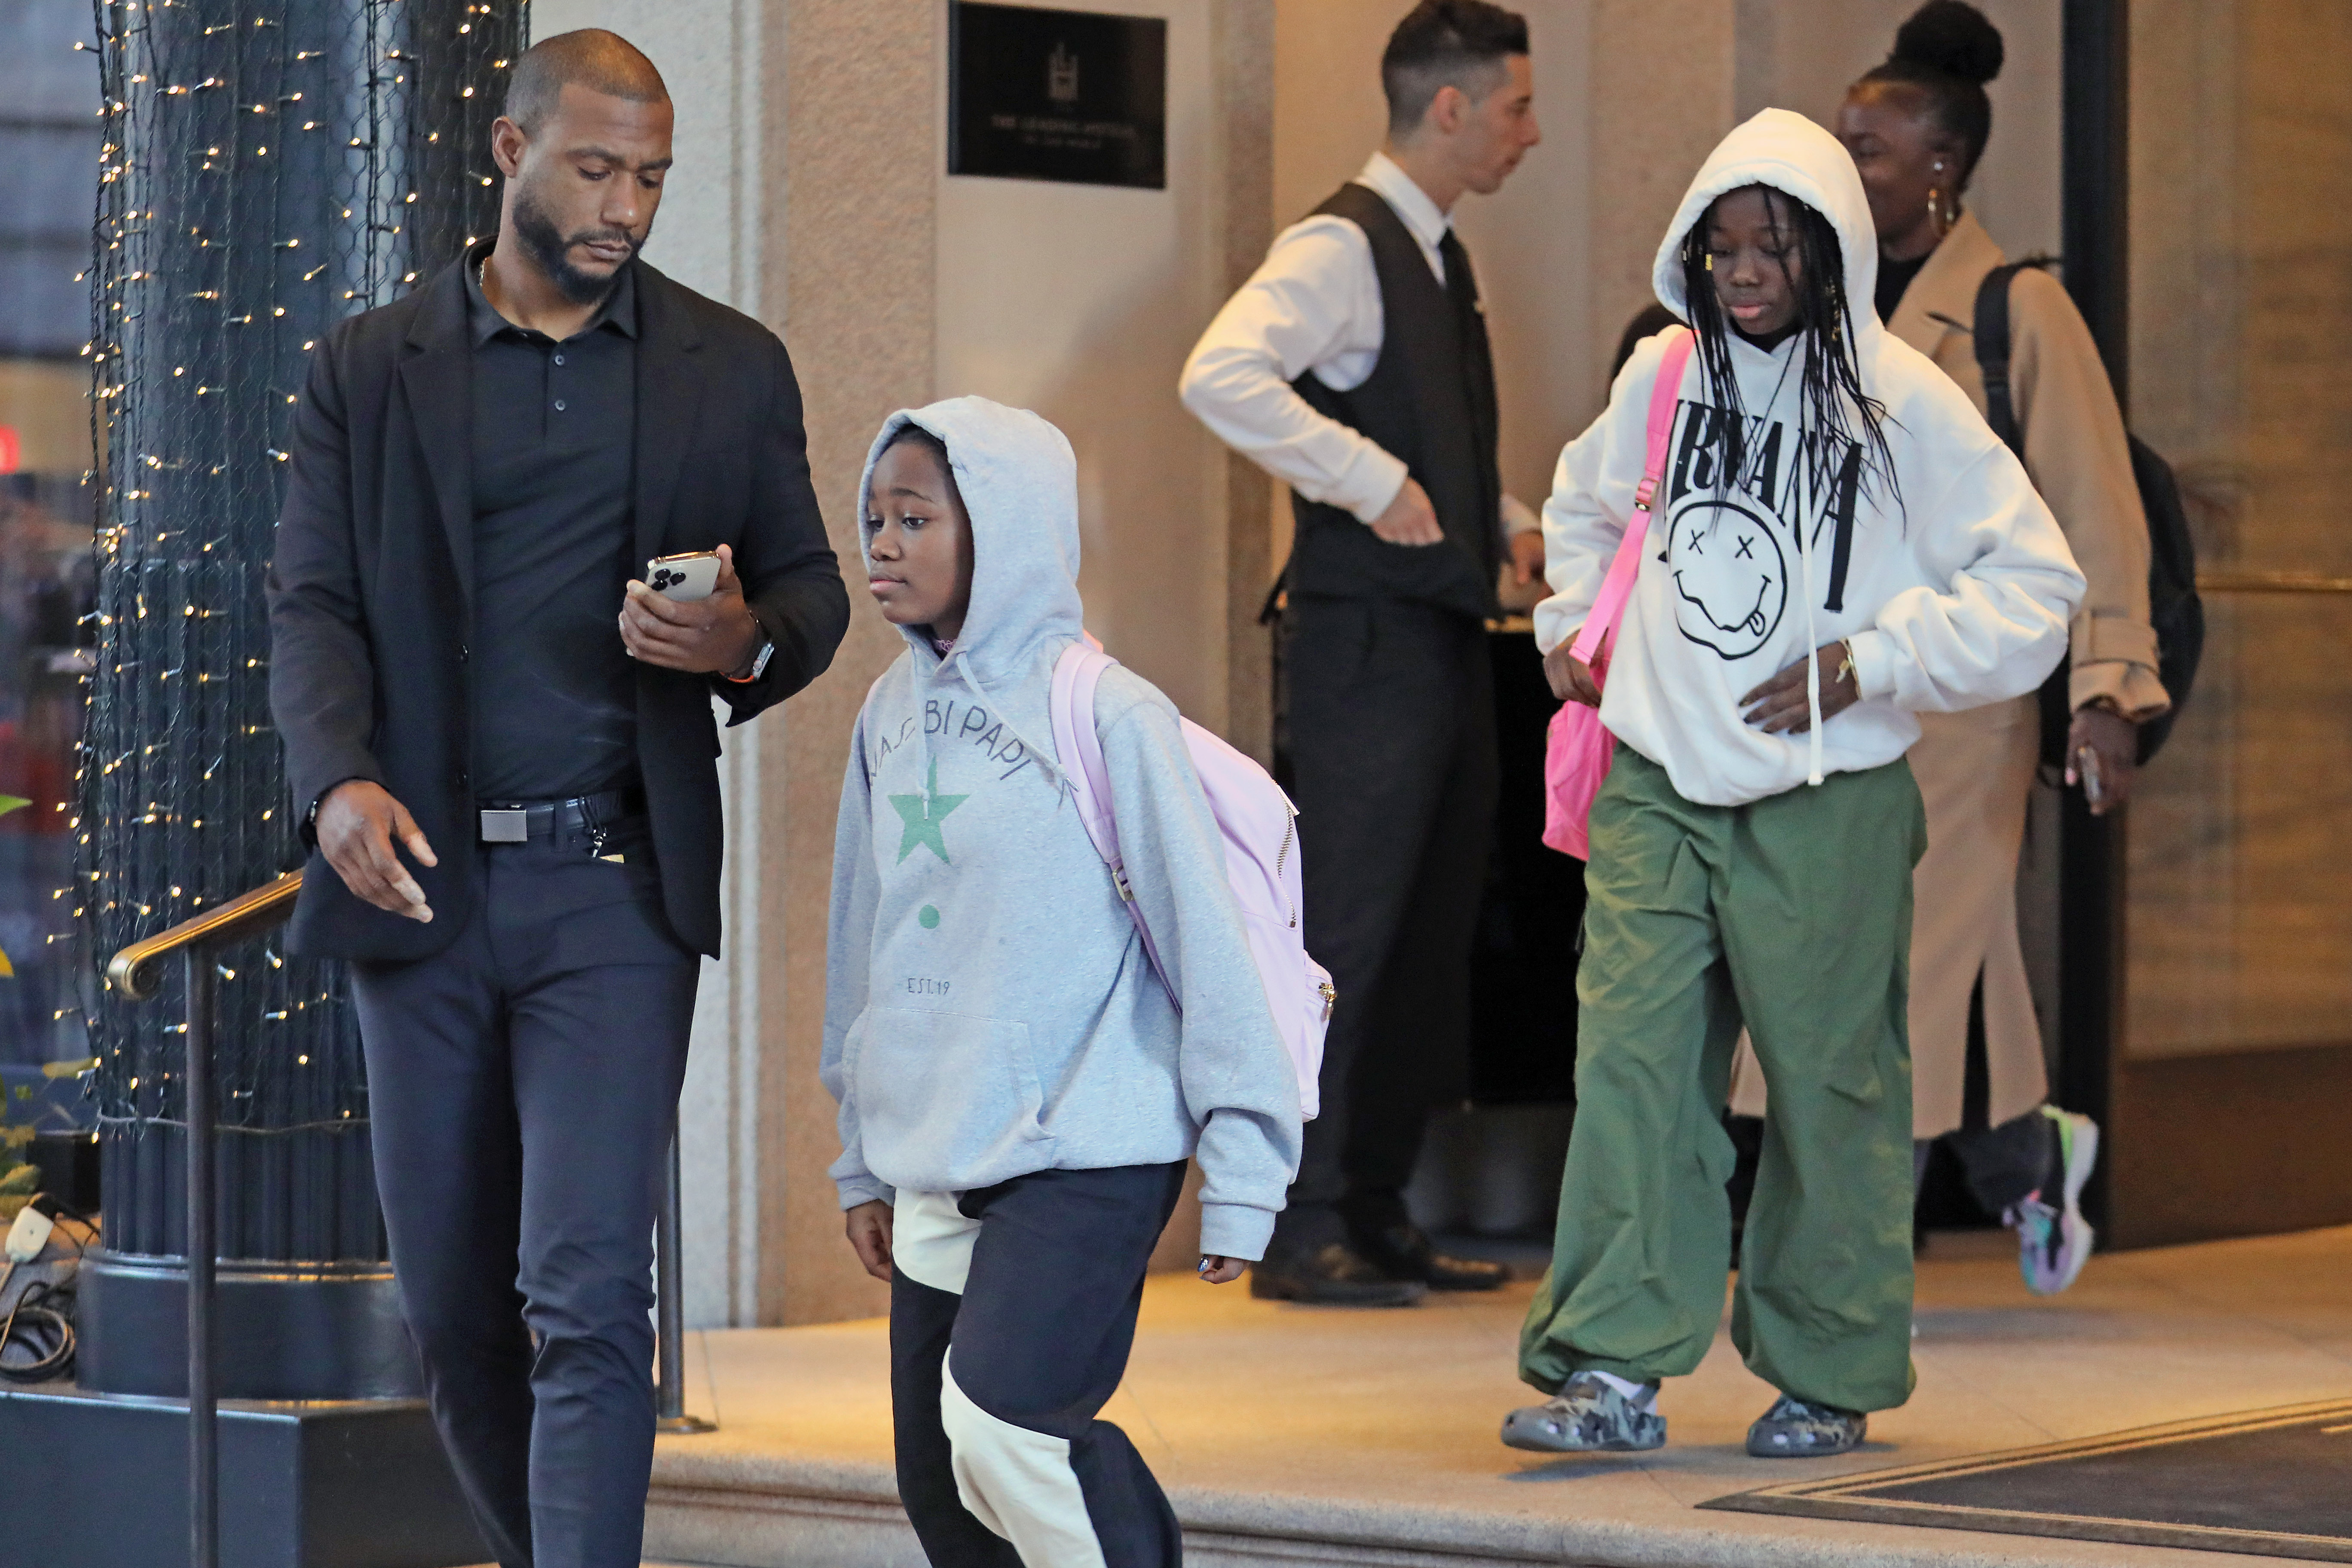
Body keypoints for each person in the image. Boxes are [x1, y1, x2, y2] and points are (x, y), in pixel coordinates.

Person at [266, 31, 848, 1566]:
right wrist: (337, 780)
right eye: (597, 169)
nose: (627, 206)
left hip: (616, 889)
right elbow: (313, 606)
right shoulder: (366, 371)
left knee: (589, 1295)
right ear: (512, 153)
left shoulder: (732, 365)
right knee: (458, 1315)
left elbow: (809, 589)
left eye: (652, 176)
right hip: (424, 891)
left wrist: (743, 644)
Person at [1502, 108, 2083, 1460]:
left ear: (1831, 256)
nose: (1745, 271)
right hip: (1655, 777)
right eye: (1724, 245)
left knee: (1831, 1089)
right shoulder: (1662, 375)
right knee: (1632, 1073)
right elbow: (1583, 508)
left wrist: (1870, 663)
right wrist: (1567, 629)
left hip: (1826, 800)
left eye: (1775, 246)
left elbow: (2038, 591)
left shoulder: (1906, 401)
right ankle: (1610, 1370)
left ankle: (1828, 1369)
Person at [1728, 0, 2166, 1296]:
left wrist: (2108, 695)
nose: (1846, 164)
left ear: (1941, 168)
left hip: (1965, 705)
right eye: (1841, 141)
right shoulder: (1819, 300)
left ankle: (1845, 1257)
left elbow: (2097, 509)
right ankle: (2033, 1165)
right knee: (1916, 971)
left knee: (1904, 966)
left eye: (1870, 147)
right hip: (1822, 693)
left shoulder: (2015, 304)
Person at [823, 397, 1302, 1568]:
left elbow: (1209, 945)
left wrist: (1246, 1164)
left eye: (916, 519)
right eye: (875, 518)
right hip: (941, 1139)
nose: (881, 545)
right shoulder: (887, 712)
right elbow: (864, 945)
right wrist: (860, 1153)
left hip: (1094, 1132)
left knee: (1005, 1425)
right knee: (940, 1488)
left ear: (1006, 529)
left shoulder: (1108, 712)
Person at [1178, 0, 1541, 1305]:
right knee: (1345, 935)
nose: (1530, 133)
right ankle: (1301, 1219)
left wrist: (1506, 523)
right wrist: (1364, 476)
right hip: (1364, 648)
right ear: (1447, 108)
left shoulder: (1437, 255)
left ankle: (1375, 1205)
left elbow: (1437, 442)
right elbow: (1220, 373)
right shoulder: (1342, 244)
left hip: (1437, 631)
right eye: (1515, 107)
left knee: (1432, 931)